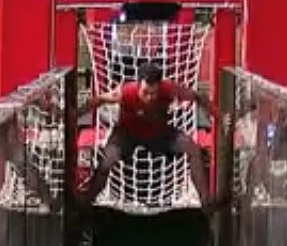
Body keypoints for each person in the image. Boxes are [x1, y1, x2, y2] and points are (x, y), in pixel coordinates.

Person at [83, 61, 214, 209]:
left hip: (158, 132)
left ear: (160, 87)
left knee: (192, 148)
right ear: (138, 85)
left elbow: (199, 97)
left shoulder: (169, 89)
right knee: (108, 159)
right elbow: (99, 99)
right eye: (145, 93)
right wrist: (77, 113)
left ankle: (206, 201)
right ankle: (87, 201)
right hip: (127, 133)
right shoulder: (125, 92)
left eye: (154, 93)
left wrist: (217, 116)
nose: (150, 97)